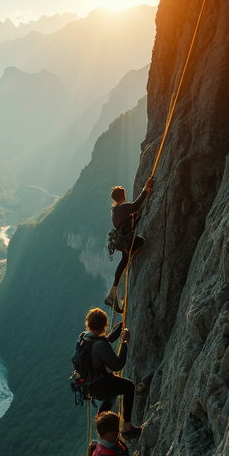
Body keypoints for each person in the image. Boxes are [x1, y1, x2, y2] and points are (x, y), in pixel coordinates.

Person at [84, 308, 141, 440]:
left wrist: (120, 328)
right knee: (128, 387)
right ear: (104, 324)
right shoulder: (99, 345)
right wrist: (124, 342)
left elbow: (106, 341)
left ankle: (102, 430)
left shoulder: (86, 337)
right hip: (101, 384)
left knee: (111, 396)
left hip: (91, 385)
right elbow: (118, 364)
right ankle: (126, 428)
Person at [105, 177, 154, 312]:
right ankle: (113, 293)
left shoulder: (115, 210)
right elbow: (137, 205)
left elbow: (128, 220)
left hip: (121, 241)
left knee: (125, 259)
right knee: (140, 242)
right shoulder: (124, 207)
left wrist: (135, 218)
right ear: (123, 195)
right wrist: (146, 188)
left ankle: (113, 292)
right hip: (126, 241)